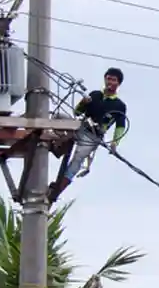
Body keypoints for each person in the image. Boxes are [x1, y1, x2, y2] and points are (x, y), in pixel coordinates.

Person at [47, 67, 128, 203]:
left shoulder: (119, 105)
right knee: (57, 116)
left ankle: (58, 189)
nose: (110, 82)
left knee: (77, 158)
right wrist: (83, 103)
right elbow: (77, 112)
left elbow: (120, 126)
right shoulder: (95, 95)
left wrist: (115, 143)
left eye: (113, 80)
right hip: (81, 126)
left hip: (93, 136)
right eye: (108, 78)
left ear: (118, 83)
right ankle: (59, 145)